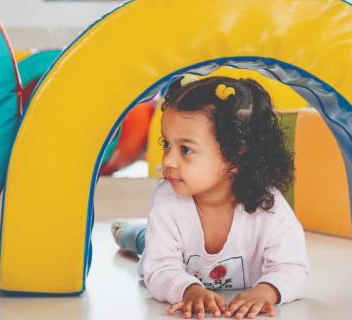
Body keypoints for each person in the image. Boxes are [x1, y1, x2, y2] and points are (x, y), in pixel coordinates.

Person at [114, 75, 309, 319]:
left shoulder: (269, 207)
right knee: (142, 240)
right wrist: (189, 289)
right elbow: (160, 267)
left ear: (236, 156)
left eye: (186, 149)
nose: (167, 160)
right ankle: (126, 233)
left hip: (177, 243)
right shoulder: (168, 201)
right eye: (166, 144)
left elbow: (292, 268)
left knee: (148, 237)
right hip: (159, 243)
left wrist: (266, 291)